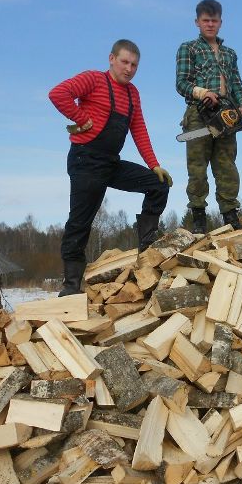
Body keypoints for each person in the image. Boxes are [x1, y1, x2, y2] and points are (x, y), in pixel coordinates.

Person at [49, 39, 173, 297]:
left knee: (157, 184)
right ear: (112, 59)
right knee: (80, 222)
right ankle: (71, 286)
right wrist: (82, 119)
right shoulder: (93, 80)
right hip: (86, 160)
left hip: (110, 163)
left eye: (134, 65)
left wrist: (154, 165)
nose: (129, 68)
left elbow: (138, 129)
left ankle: (148, 251)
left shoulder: (133, 94)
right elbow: (58, 94)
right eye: (125, 62)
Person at [176, 0, 242, 233]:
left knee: (226, 165)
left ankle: (230, 214)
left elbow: (237, 84)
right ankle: (199, 216)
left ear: (221, 22)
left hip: (226, 114)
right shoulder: (188, 48)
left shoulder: (230, 54)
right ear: (197, 22)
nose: (210, 24)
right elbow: (181, 83)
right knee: (197, 166)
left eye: (214, 20)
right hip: (198, 114)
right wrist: (201, 93)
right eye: (205, 20)